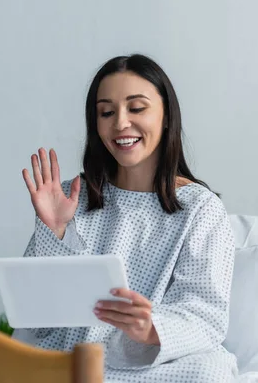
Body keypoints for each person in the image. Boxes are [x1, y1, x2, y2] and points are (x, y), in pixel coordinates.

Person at [17, 54, 238, 382]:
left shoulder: (200, 209)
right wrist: (55, 232)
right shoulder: (70, 198)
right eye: (107, 112)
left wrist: (150, 328)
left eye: (136, 108)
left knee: (210, 373)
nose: (120, 123)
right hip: (70, 360)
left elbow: (206, 316)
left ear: (166, 116)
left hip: (152, 366)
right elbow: (35, 314)